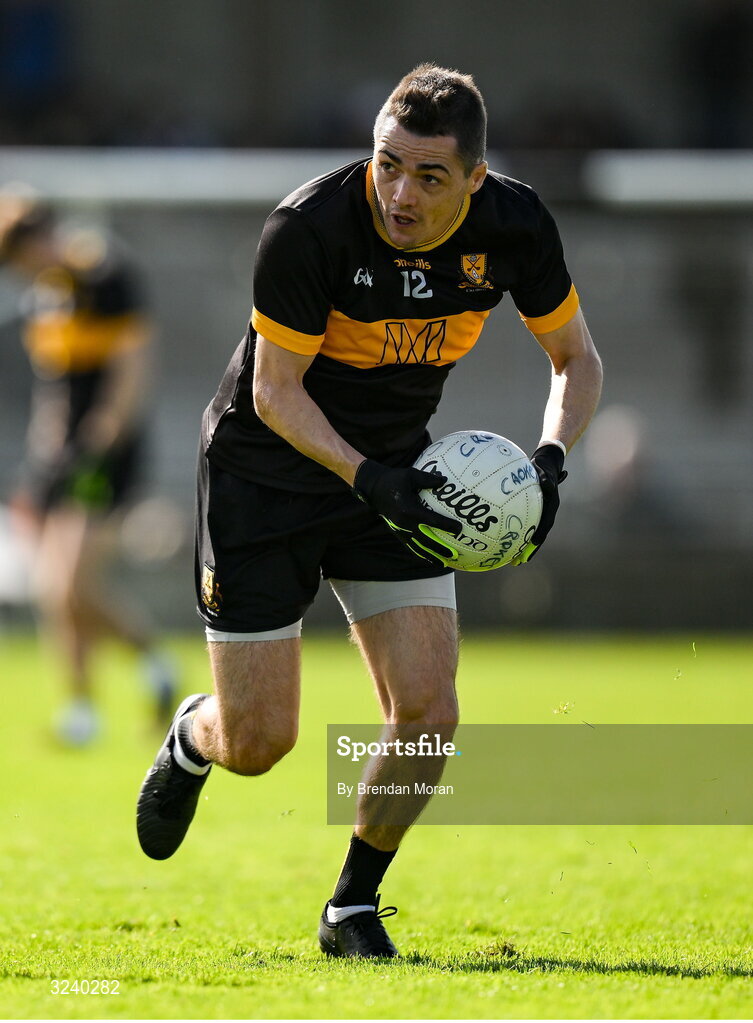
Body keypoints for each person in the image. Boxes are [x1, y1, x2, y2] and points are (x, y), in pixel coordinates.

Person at [136, 64, 603, 958]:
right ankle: (198, 735)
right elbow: (274, 393)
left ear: (474, 178)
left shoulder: (514, 226)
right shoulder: (309, 226)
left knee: (429, 714)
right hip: (265, 476)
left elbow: (574, 359)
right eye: (387, 164)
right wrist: (368, 477)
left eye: (429, 176)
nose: (399, 192)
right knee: (260, 741)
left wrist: (548, 464)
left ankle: (351, 906)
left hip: (392, 480)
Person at [0, 188, 177, 745]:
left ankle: (143, 669)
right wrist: (39, 463)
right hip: (57, 453)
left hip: (106, 449)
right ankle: (95, 703)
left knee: (70, 580)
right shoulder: (44, 296)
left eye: (18, 257)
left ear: (38, 239)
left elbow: (132, 371)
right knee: (57, 589)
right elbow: (54, 390)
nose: (19, 271)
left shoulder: (104, 274)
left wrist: (99, 443)